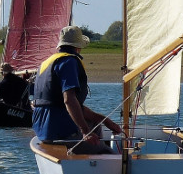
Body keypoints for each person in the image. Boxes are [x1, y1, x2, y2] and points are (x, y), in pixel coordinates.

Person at [32, 25, 122, 154]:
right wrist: (85, 132)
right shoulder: (69, 62)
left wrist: (105, 120)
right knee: (108, 154)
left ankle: (92, 147)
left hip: (42, 129)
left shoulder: (46, 63)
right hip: (59, 131)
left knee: (95, 123)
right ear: (78, 47)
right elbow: (69, 100)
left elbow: (60, 103)